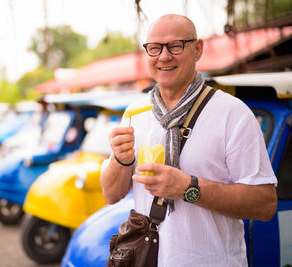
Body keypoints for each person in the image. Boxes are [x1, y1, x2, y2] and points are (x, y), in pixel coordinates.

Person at [100, 14, 277, 266]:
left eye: (175, 45)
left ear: (198, 49)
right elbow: (111, 194)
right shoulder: (135, 113)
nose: (163, 56)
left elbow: (264, 204)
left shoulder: (232, 113)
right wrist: (120, 159)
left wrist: (188, 188)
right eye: (154, 48)